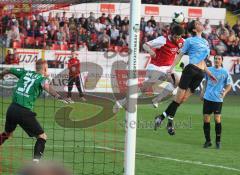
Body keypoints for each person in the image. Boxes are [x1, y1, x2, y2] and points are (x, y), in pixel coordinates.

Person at [0, 59, 73, 163]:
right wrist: (59, 97)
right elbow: (46, 86)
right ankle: (35, 164)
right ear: (45, 68)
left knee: (7, 134)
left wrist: (1, 75)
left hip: (12, 109)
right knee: (42, 137)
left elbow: (8, 69)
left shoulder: (25, 72)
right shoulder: (41, 79)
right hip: (23, 111)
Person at [155, 20, 216, 135]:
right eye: (198, 23)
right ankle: (169, 124)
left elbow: (203, 60)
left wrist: (209, 73)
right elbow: (180, 55)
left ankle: (161, 117)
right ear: (194, 29)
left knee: (181, 100)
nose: (200, 24)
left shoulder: (205, 41)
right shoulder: (189, 41)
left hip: (200, 73)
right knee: (178, 99)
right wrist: (171, 68)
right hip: (190, 70)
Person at [113, 25, 185, 113]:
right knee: (147, 86)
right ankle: (122, 101)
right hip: (155, 66)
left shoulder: (182, 41)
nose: (177, 39)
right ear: (171, 34)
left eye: (179, 37)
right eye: (176, 37)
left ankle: (157, 99)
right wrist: (151, 51)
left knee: (177, 82)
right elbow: (145, 45)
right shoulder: (162, 40)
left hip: (167, 68)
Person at [201, 55, 232, 149]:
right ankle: (208, 141)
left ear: (222, 61)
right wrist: (202, 91)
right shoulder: (209, 70)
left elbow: (229, 84)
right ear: (213, 60)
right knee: (206, 119)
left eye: (219, 59)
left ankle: (218, 141)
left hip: (217, 99)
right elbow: (205, 81)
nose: (217, 60)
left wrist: (225, 92)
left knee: (217, 119)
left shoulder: (225, 72)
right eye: (215, 59)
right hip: (207, 98)